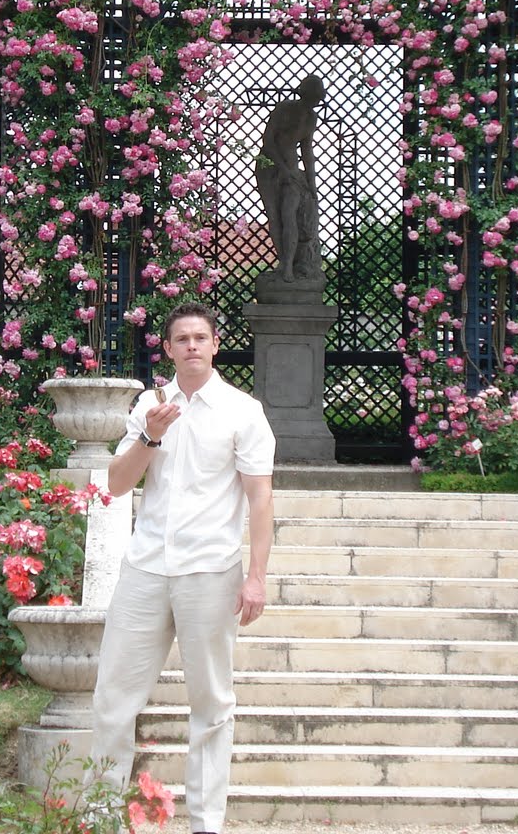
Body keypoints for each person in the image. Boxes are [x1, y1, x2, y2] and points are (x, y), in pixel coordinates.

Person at [88, 301, 275, 834]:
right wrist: (150, 435)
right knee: (113, 698)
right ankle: (98, 816)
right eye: (182, 339)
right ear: (167, 349)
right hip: (146, 567)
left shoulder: (244, 411)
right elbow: (118, 485)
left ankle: (206, 824)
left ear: (215, 346)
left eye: (201, 338)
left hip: (211, 569)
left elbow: (260, 500)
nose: (192, 346)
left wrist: (256, 578)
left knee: (212, 702)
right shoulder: (150, 405)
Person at [254, 74, 326, 282]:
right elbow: (268, 140)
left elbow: (307, 151)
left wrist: (311, 184)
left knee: (290, 216)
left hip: (293, 171)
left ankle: (288, 266)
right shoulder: (284, 108)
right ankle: (283, 261)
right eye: (314, 96)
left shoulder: (312, 118)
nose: (315, 102)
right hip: (268, 167)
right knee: (275, 217)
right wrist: (282, 168)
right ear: (305, 94)